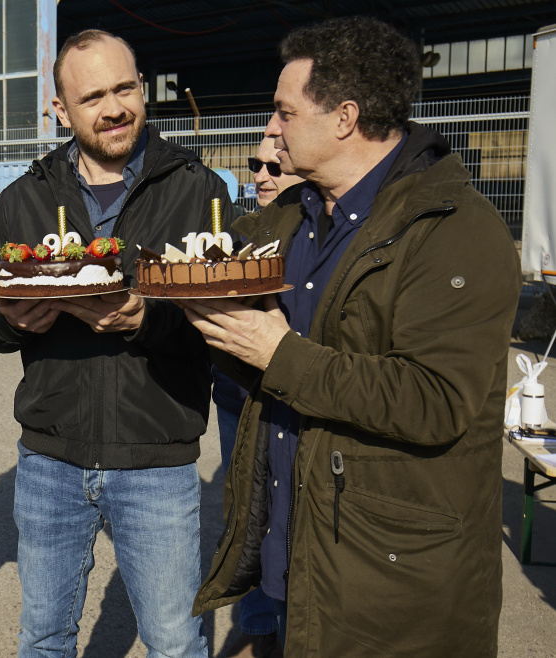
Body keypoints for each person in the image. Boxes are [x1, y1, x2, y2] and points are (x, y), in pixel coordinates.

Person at [186, 17, 520, 656]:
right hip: (301, 565)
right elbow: (252, 354)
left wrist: (279, 353)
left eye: (285, 111)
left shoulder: (453, 228)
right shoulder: (289, 219)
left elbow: (435, 399)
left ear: (344, 117)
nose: (272, 128)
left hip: (393, 592)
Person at [0, 29, 229, 658]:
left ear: (141, 87)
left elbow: (225, 312)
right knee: (44, 640)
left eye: (124, 88)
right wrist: (12, 323)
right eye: (92, 98)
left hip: (157, 459)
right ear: (61, 110)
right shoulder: (24, 198)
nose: (114, 108)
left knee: (173, 642)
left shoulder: (197, 190)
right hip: (50, 461)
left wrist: (148, 319)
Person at [216, 135, 304, 658]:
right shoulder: (241, 233)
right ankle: (257, 627)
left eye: (275, 166)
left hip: (294, 397)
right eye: (254, 165)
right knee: (247, 509)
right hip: (237, 398)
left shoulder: (315, 238)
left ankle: (284, 627)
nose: (262, 174)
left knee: (287, 513)